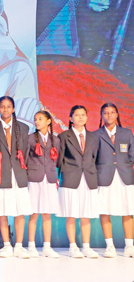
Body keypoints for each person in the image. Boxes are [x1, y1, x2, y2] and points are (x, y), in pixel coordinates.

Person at [0, 96, 32, 258]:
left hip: (18, 174)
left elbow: (26, 153)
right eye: (2, 107)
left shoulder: (24, 128)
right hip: (0, 174)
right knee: (2, 211)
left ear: (13, 109)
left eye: (9, 106)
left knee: (20, 211)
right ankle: (6, 245)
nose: (5, 110)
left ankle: (19, 245)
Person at [57, 105, 100, 259]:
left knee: (86, 214)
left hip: (89, 179)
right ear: (70, 118)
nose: (80, 117)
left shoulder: (94, 137)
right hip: (70, 179)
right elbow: (59, 159)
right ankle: (73, 246)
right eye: (77, 115)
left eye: (83, 115)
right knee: (71, 214)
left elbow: (96, 158)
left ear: (87, 118)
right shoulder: (63, 136)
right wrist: (64, 173)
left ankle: (87, 247)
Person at [94, 103, 134, 258]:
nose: (109, 115)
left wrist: (126, 165)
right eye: (105, 113)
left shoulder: (127, 133)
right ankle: (109, 246)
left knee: (128, 211)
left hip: (125, 177)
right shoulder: (96, 135)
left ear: (117, 115)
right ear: (101, 116)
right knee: (105, 211)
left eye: (112, 113)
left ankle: (129, 246)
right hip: (104, 177)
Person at [26, 110, 61, 258]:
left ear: (48, 121)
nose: (37, 121)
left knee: (47, 214)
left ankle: (47, 246)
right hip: (34, 178)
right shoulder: (30, 139)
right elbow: (25, 158)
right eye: (35, 119)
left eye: (40, 119)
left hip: (50, 178)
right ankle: (31, 245)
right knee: (34, 213)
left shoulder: (56, 139)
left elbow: (57, 159)